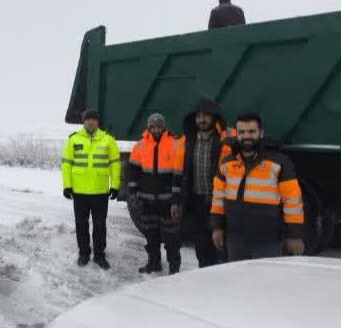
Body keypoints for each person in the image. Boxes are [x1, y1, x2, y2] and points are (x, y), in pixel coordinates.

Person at [211, 113, 305, 260]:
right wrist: (217, 227)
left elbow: (292, 200)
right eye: (241, 132)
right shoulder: (226, 163)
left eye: (251, 131)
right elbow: (218, 198)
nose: (246, 136)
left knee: (267, 282)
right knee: (238, 281)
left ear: (261, 133)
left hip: (268, 242)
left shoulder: (279, 162)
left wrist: (294, 235)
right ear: (237, 134)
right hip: (235, 239)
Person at [171, 98, 235, 268]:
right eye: (198, 116)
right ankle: (204, 275)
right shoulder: (186, 141)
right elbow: (178, 172)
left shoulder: (228, 139)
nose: (202, 120)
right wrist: (176, 200)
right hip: (197, 201)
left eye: (206, 116)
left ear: (214, 117)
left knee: (223, 244)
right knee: (201, 243)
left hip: (221, 201)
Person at [62, 109, 122, 269]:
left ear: (98, 122)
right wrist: (67, 185)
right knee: (81, 225)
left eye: (94, 119)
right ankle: (84, 253)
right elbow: (66, 164)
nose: (91, 122)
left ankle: (99, 255)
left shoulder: (108, 140)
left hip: (100, 192)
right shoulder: (73, 140)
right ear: (83, 122)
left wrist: (115, 185)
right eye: (88, 119)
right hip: (79, 192)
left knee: (100, 225)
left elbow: (115, 164)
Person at [128, 113, 182, 274]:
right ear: (148, 127)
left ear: (164, 127)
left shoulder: (174, 144)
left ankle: (174, 267)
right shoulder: (140, 145)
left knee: (171, 237)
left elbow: (179, 175)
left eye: (159, 126)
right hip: (147, 200)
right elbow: (133, 171)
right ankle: (154, 263)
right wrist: (132, 193)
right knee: (151, 236)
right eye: (153, 126)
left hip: (167, 201)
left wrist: (176, 198)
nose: (156, 129)